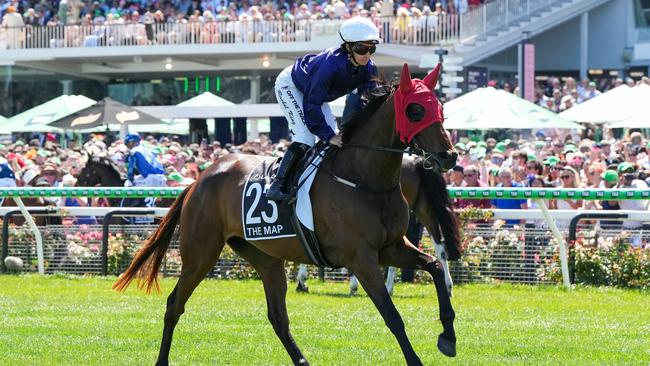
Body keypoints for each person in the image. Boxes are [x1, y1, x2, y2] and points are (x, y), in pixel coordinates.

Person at [266, 17, 381, 202]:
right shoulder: (330, 65)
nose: (367, 54)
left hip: (315, 93)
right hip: (292, 86)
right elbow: (311, 104)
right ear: (348, 47)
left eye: (371, 48)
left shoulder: (369, 68)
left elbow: (367, 103)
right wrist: (328, 135)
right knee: (306, 137)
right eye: (361, 48)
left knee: (334, 137)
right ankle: (277, 185)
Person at [124, 133, 166, 208]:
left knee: (129, 185)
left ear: (133, 142)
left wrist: (129, 179)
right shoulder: (145, 149)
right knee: (137, 179)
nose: (127, 145)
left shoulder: (134, 151)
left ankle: (138, 210)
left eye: (128, 142)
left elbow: (131, 168)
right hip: (160, 177)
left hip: (151, 179)